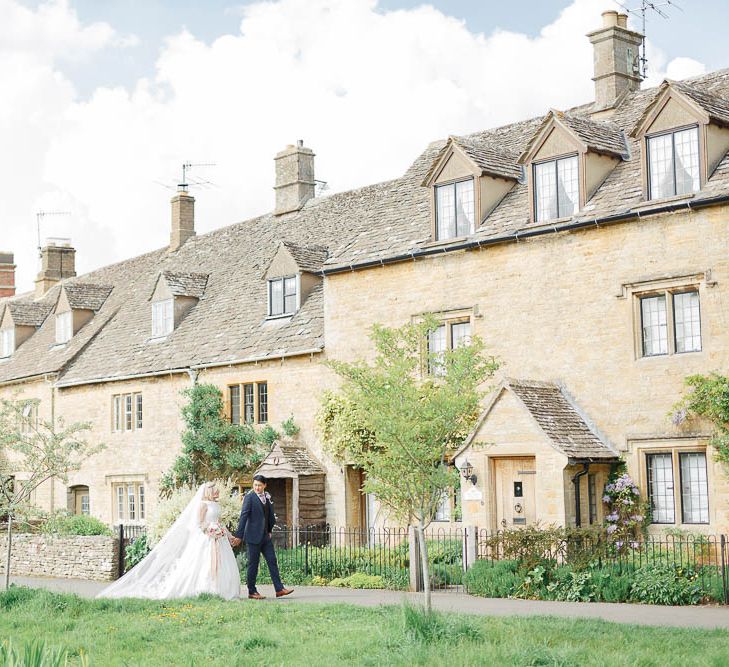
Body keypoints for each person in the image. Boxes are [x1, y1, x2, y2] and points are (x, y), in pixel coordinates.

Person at [97, 482, 240, 600]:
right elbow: (199, 524)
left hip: (219, 540)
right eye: (215, 491)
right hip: (206, 540)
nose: (217, 493)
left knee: (223, 565)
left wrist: (228, 535)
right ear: (208, 492)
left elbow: (219, 522)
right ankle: (204, 590)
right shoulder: (203, 505)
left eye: (217, 491)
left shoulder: (216, 505)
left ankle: (222, 591)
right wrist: (210, 531)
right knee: (202, 565)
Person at [231, 474, 293, 600]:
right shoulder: (249, 498)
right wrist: (239, 535)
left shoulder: (267, 496)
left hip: (265, 536)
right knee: (253, 564)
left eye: (259, 485)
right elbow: (243, 516)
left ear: (265, 485)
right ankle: (252, 591)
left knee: (272, 561)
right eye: (255, 485)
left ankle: (279, 589)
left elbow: (269, 515)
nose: (257, 487)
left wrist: (269, 530)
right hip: (253, 536)